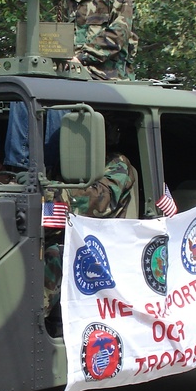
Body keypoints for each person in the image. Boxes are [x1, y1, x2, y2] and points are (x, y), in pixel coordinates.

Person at [43, 123, 137, 318]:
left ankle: (35, 317)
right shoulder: (61, 163)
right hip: (69, 232)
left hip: (102, 241)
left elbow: (101, 199)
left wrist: (51, 193)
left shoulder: (116, 163)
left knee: (55, 254)